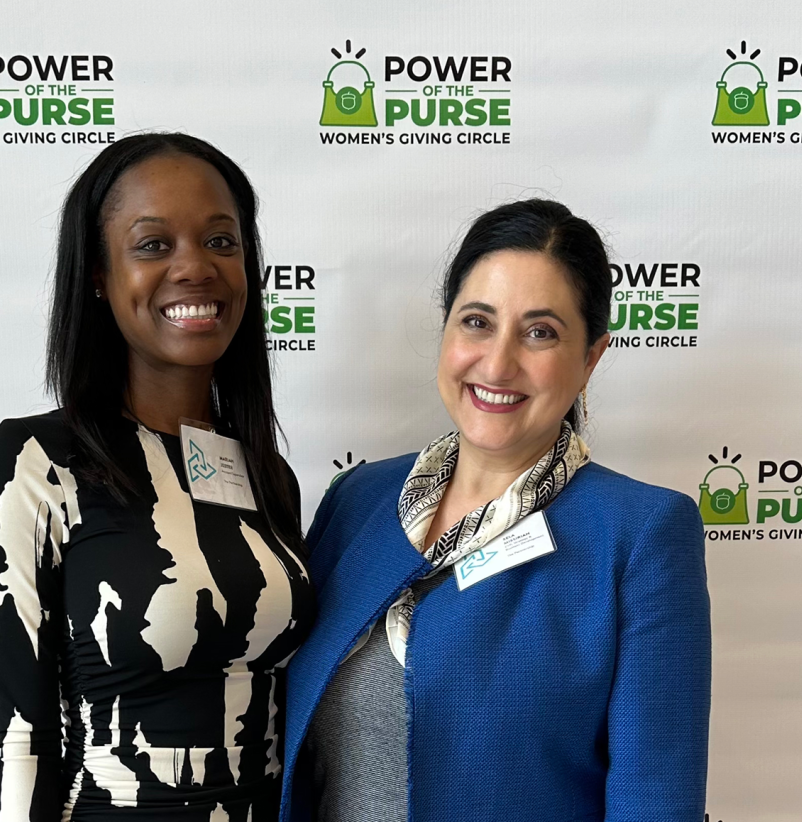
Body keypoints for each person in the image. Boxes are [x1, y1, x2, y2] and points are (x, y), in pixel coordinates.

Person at [280, 199, 711, 822]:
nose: (499, 362)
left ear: (590, 358)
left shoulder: (641, 533)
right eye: (477, 322)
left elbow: (657, 801)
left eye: (540, 333)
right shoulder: (359, 500)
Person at [0, 133, 314, 822]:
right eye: (153, 245)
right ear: (98, 274)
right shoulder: (37, 462)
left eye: (222, 242)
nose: (196, 268)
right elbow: (22, 737)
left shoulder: (268, 474)